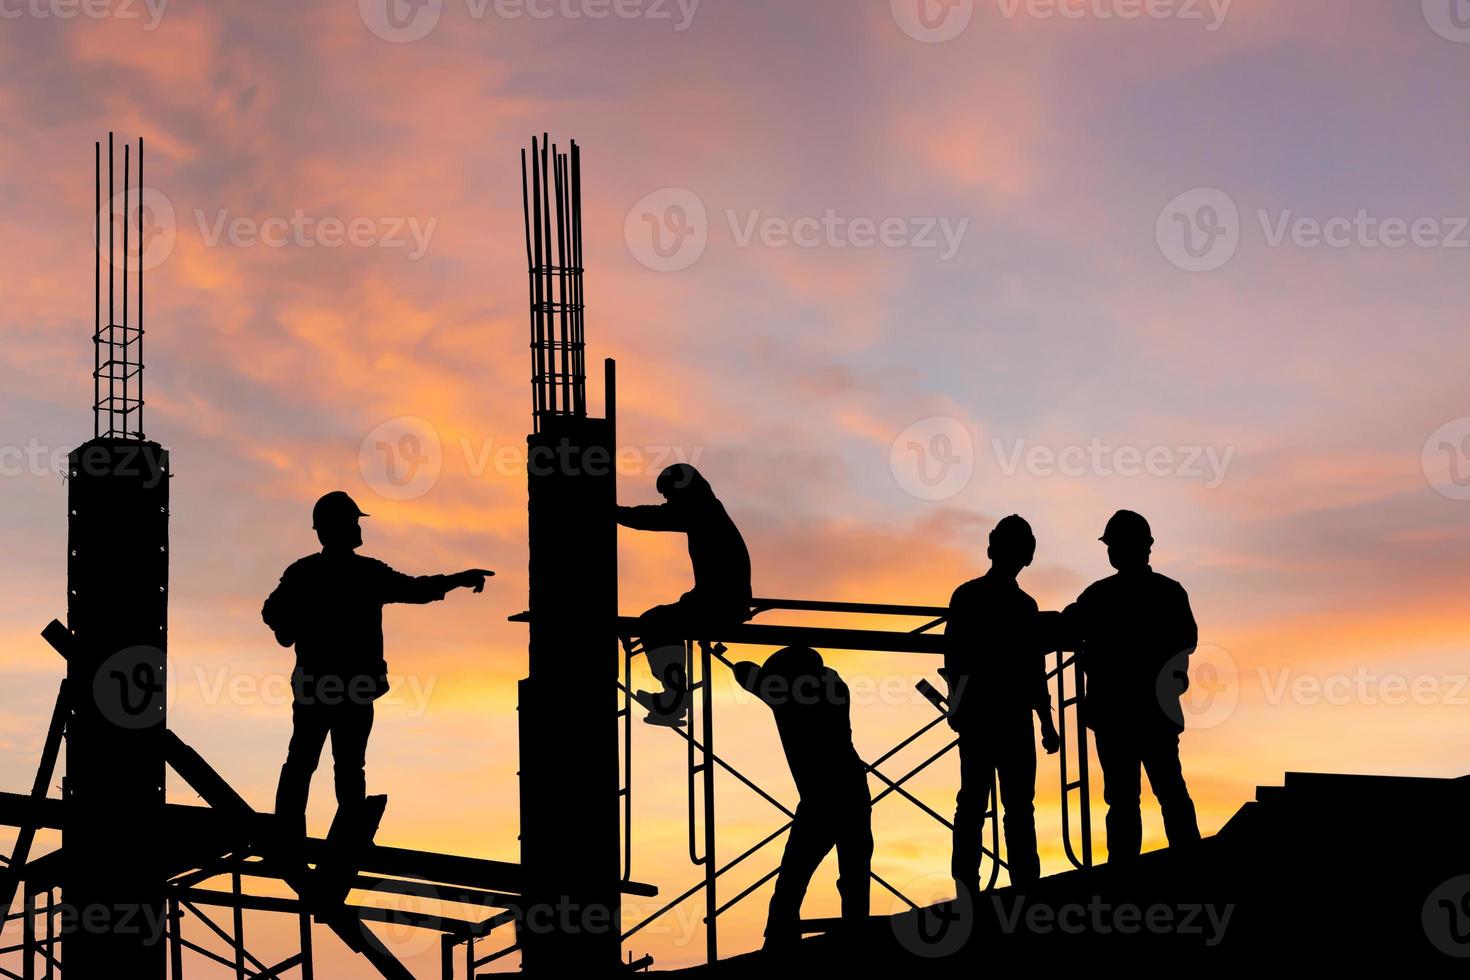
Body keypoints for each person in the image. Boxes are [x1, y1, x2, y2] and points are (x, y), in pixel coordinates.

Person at [262, 490, 493, 839]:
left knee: (306, 759)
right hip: (350, 687)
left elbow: (272, 613)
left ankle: (289, 833)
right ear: (337, 528)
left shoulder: (306, 572)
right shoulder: (363, 574)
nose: (358, 527)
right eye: (353, 521)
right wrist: (459, 579)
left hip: (319, 685)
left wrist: (291, 628)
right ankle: (342, 837)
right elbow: (416, 589)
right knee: (343, 765)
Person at [1059, 509, 1201, 865]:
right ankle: (1191, 866)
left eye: (1114, 544)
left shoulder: (1100, 596)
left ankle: (1125, 873)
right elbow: (1187, 639)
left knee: (1129, 797)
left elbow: (1066, 628)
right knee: (1165, 790)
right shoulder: (1168, 592)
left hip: (1118, 712)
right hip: (1148, 711)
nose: (1112, 552)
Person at [944, 515, 1060, 895]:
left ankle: (968, 890)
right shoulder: (1023, 606)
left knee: (974, 804)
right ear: (1026, 556)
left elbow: (955, 662)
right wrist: (1045, 722)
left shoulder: (968, 597)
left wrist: (957, 707)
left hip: (982, 716)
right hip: (1009, 718)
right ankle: (1024, 886)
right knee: (1015, 808)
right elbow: (1033, 671)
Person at [730, 646, 872, 949]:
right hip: (850, 787)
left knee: (795, 872)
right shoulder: (834, 688)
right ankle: (855, 930)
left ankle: (781, 936)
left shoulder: (782, 696)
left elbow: (742, 670)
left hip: (820, 796)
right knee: (853, 866)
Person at [617, 464, 752, 726]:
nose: (668, 501)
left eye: (669, 494)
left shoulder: (703, 511)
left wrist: (613, 513)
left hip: (720, 606)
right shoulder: (708, 511)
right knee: (661, 620)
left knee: (655, 621)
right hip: (719, 602)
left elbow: (653, 518)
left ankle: (675, 696)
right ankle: (675, 695)